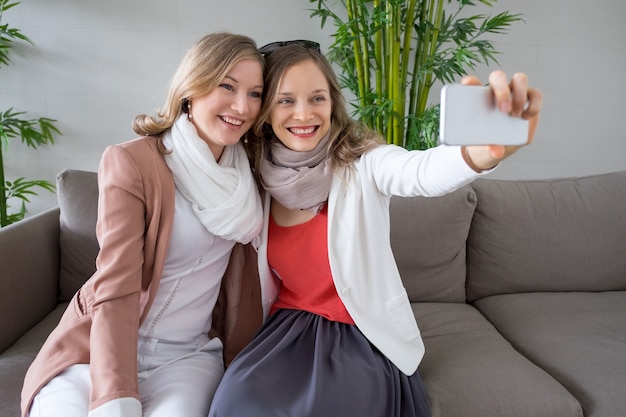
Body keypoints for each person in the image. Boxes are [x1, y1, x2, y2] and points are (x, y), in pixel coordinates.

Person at [208, 41, 543, 417]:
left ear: (332, 102)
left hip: (359, 332)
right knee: (235, 402)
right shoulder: (254, 175)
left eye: (316, 97)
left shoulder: (363, 162)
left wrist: (479, 154)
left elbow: (420, 172)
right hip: (288, 327)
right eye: (286, 100)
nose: (303, 113)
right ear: (266, 110)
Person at [21, 32, 267, 417]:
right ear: (192, 87)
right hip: (97, 351)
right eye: (228, 86)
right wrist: (114, 397)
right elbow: (117, 286)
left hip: (187, 357)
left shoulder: (252, 175)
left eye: (255, 93)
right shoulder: (133, 162)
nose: (242, 106)